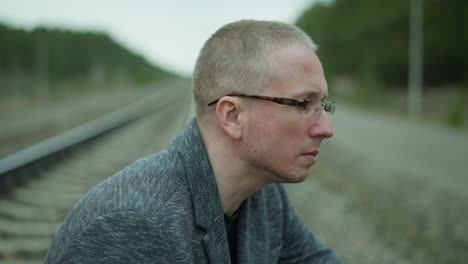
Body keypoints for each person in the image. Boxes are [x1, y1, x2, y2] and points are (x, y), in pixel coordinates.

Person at [45, 20, 346, 263]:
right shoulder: (137, 226)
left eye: (323, 106)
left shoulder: (263, 198)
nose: (326, 128)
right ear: (232, 116)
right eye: (304, 103)